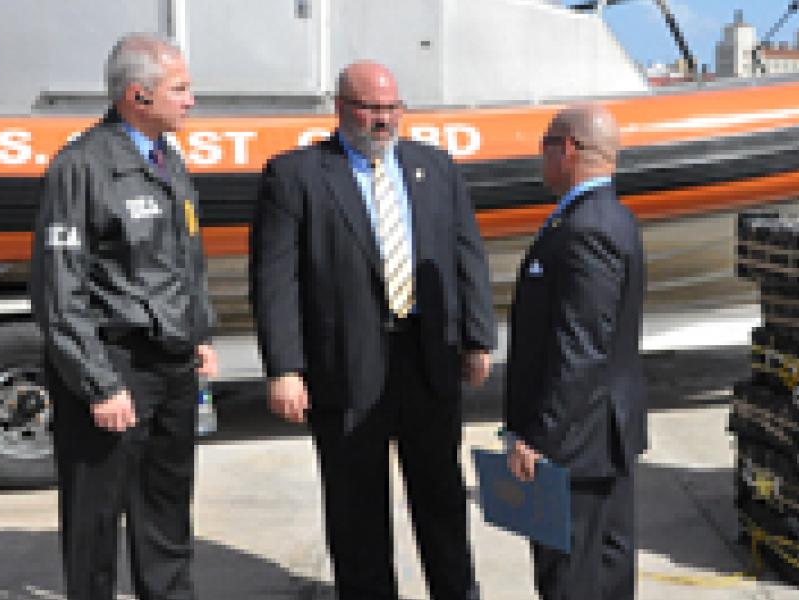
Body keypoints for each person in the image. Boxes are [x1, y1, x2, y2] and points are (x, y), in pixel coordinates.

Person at [248, 61, 496, 600]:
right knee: (356, 509)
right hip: (345, 367)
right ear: (340, 107)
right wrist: (284, 368)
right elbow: (275, 279)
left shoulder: (436, 168)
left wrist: (479, 337)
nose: (382, 120)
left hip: (427, 362)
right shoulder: (296, 176)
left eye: (391, 108)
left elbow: (466, 255)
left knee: (442, 501)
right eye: (370, 108)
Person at [31, 32, 217, 600]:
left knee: (166, 507)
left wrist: (199, 332)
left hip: (172, 366)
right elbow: (58, 290)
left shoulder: (168, 159)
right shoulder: (81, 168)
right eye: (180, 89)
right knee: (95, 517)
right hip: (114, 367)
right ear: (138, 95)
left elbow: (186, 257)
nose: (191, 100)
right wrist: (99, 383)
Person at [504, 104, 647, 600]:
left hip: (577, 441)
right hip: (600, 434)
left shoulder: (587, 228)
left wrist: (539, 436)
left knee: (570, 577)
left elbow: (580, 347)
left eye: (544, 146)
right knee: (604, 570)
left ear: (567, 148)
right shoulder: (612, 217)